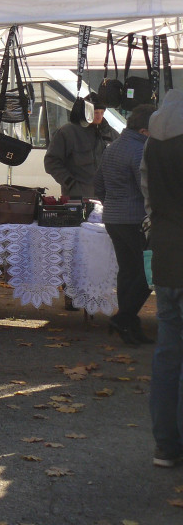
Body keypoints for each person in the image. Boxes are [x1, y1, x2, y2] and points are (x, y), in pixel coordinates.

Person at [141, 89, 183, 468]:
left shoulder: (152, 143)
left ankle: (166, 446)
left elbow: (148, 198)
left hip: (167, 253)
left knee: (168, 355)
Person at [95, 104, 156, 345]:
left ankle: (130, 328)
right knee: (146, 274)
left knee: (128, 271)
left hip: (113, 218)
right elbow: (146, 188)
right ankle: (124, 318)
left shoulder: (113, 147)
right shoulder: (139, 150)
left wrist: (112, 204)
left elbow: (98, 184)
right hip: (136, 220)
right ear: (144, 130)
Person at [44, 93, 118, 198]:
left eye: (102, 112)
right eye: (96, 112)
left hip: (106, 197)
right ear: (86, 112)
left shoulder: (111, 133)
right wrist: (70, 184)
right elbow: (51, 162)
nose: (99, 116)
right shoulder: (67, 132)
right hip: (77, 197)